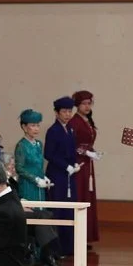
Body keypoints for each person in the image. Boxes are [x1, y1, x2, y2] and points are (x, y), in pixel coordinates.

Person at [2, 152, 62, 266]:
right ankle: (48, 254)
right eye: (10, 165)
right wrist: (20, 206)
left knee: (46, 215)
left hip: (19, 207)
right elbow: (6, 200)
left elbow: (16, 196)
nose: (13, 168)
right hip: (12, 212)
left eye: (14, 165)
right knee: (43, 217)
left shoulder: (14, 180)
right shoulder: (3, 181)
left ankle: (47, 252)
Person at [44, 96, 80, 256]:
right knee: (58, 210)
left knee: (69, 210)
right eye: (64, 111)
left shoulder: (70, 129)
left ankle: (68, 246)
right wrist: (66, 166)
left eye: (69, 111)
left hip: (69, 176)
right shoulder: (53, 130)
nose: (67, 114)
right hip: (57, 175)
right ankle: (56, 248)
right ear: (56, 113)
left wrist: (76, 164)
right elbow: (49, 154)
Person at [69, 90, 101, 247]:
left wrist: (92, 152)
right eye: (84, 103)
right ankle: (77, 236)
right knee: (80, 195)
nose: (87, 106)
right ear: (77, 105)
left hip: (87, 163)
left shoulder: (87, 120)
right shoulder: (74, 122)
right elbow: (71, 145)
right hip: (78, 165)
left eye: (90, 103)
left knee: (87, 195)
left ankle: (86, 235)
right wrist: (85, 151)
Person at [14, 109, 50, 202]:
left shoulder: (39, 144)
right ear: (24, 127)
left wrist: (44, 177)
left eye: (38, 125)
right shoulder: (21, 145)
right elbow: (19, 168)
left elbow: (39, 165)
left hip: (40, 185)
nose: (36, 128)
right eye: (33, 125)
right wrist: (36, 179)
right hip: (27, 185)